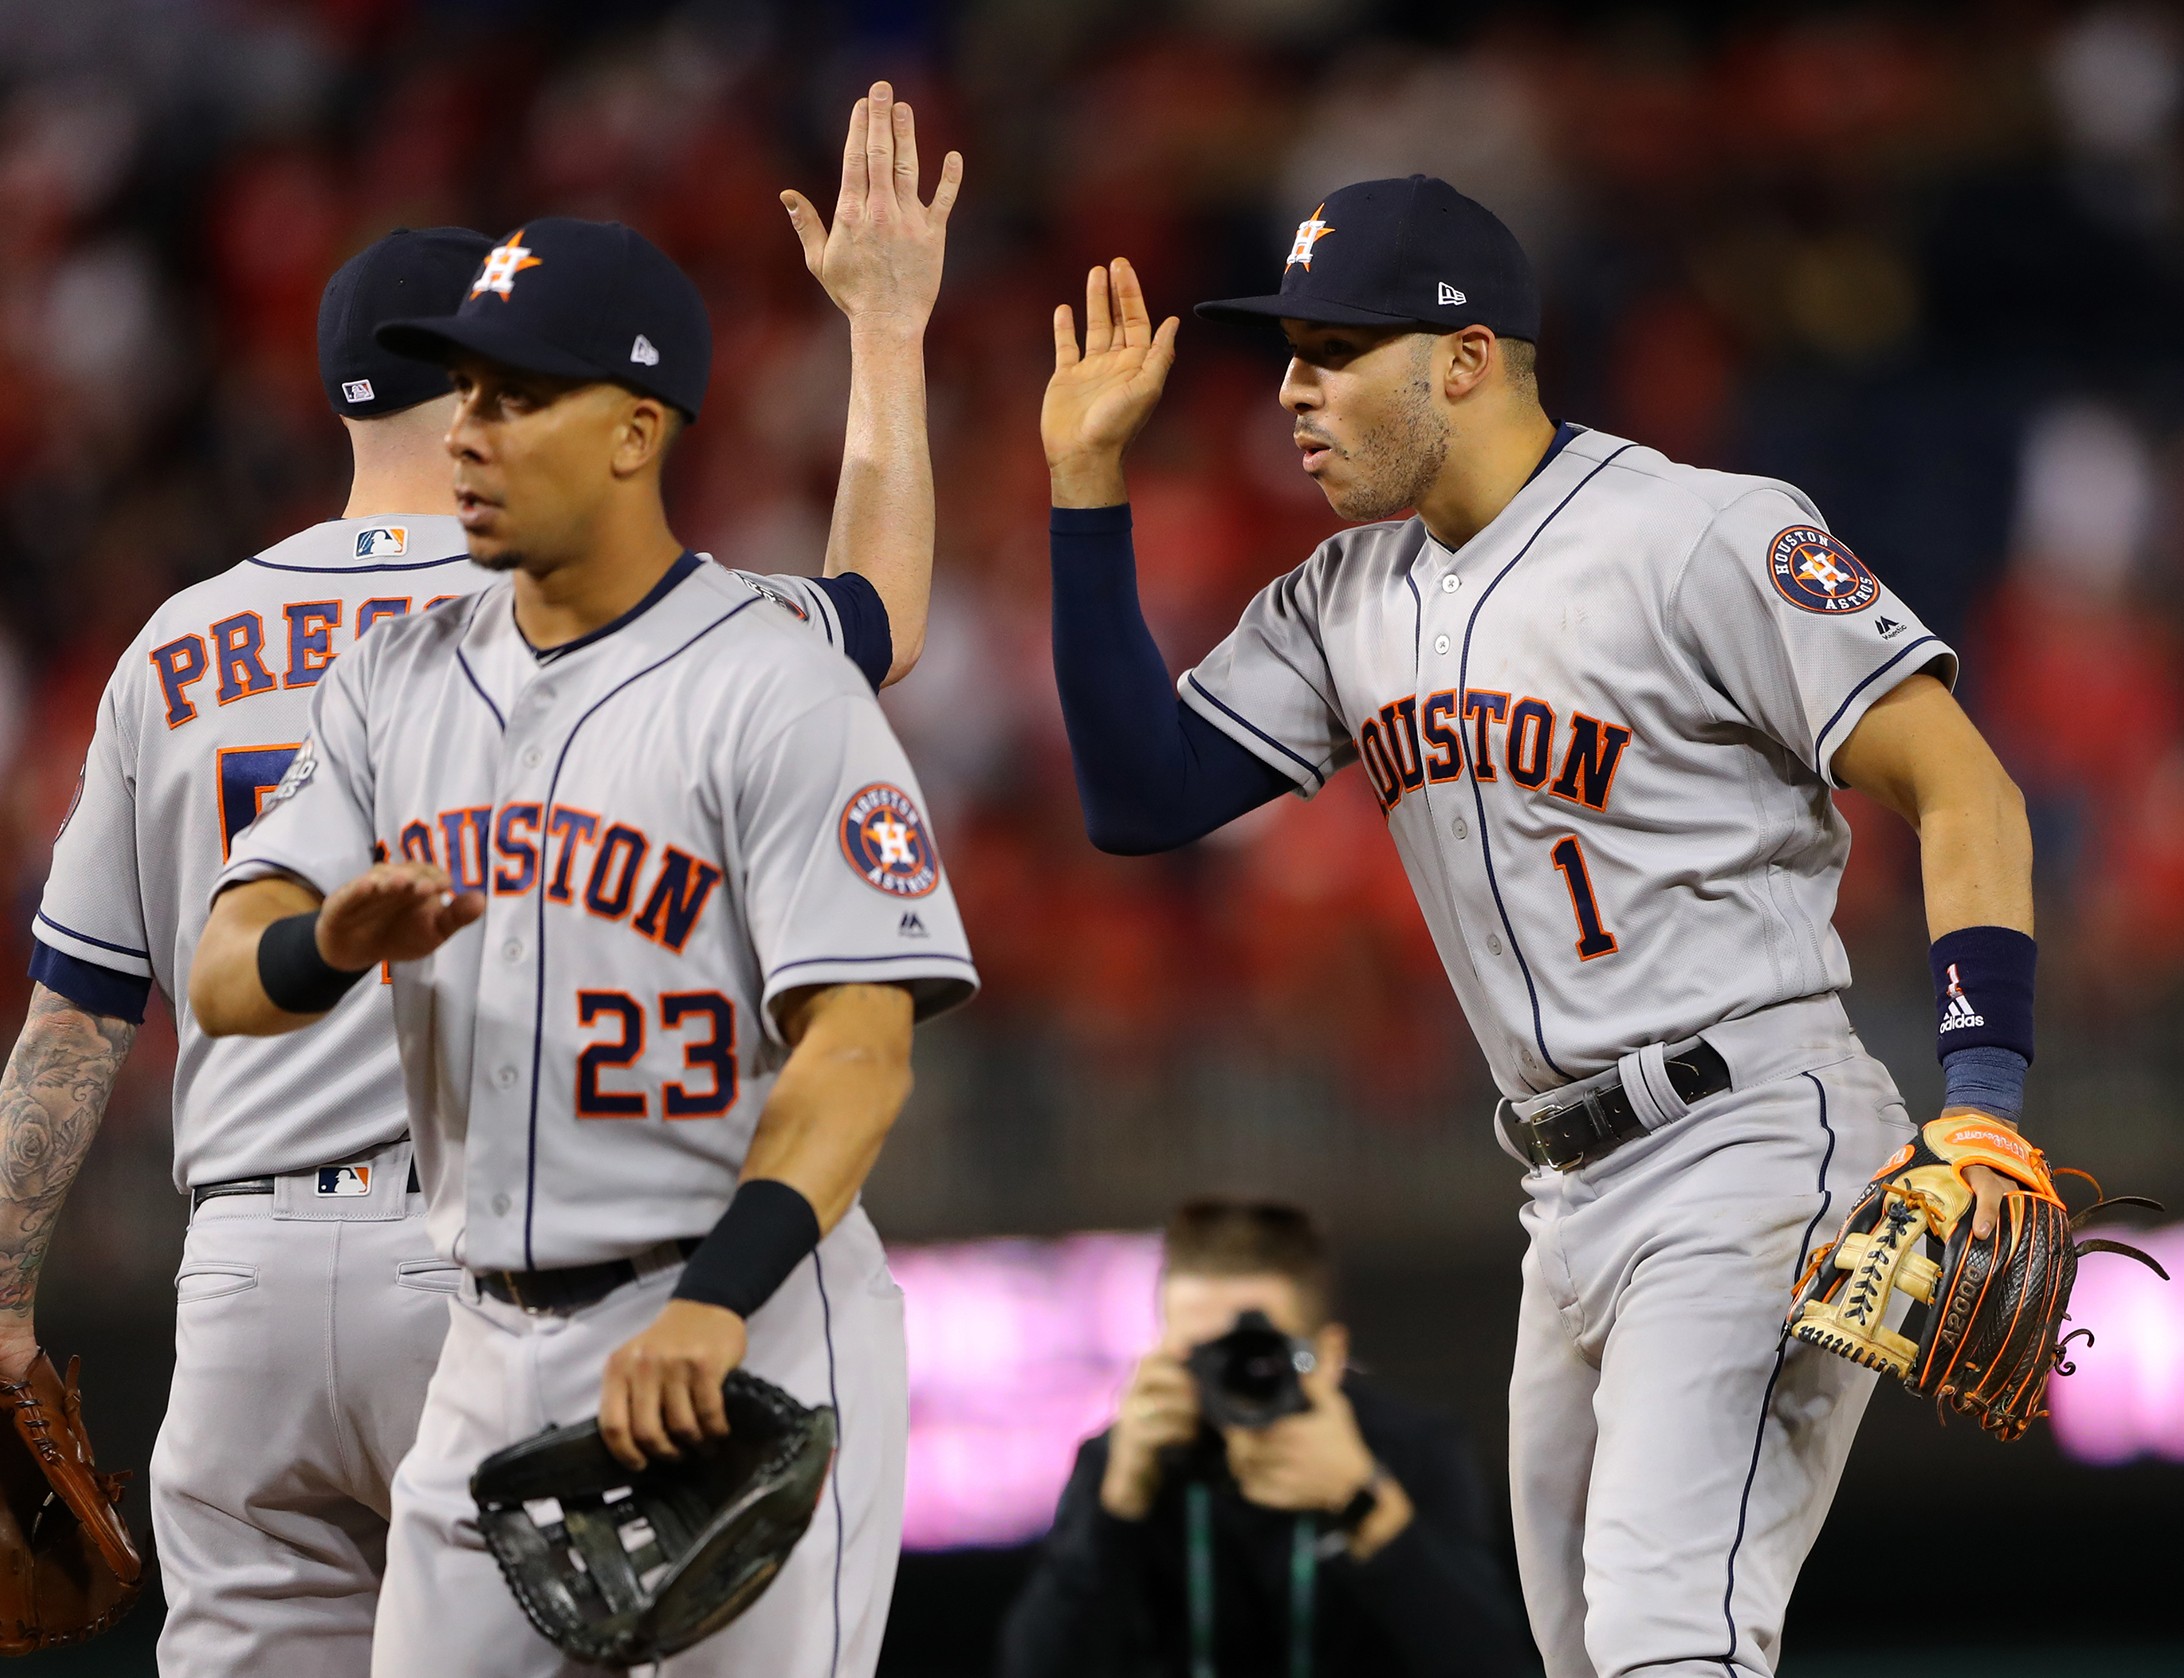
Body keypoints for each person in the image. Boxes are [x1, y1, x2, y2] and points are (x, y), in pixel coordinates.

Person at [1040, 176, 2042, 1677]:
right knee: (1590, 1659)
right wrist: (1084, 488)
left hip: (1749, 1143)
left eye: (1331, 352)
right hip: (1563, 1195)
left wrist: (1986, 1103)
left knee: (1662, 1637)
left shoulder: (1704, 534)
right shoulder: (1343, 594)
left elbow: (1964, 786)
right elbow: (1139, 794)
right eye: (1291, 356)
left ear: (1463, 359)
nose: (1290, 397)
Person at [4, 93, 945, 1675]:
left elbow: (80, 1019)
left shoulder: (174, 639)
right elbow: (884, 617)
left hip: (243, 1263)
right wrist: (888, 338)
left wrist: (4, 1292)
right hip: (473, 1259)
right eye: (487, 381)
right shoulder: (571, 624)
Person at [998, 1199, 1535, 1678]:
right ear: (1160, 1353)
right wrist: (1115, 1511)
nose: (1230, 1375)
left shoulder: (1410, 1450)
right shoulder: (1124, 1464)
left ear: (1327, 1357)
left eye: (1257, 1353)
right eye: (1199, 1355)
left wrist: (1363, 1506)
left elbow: (1496, 1663)